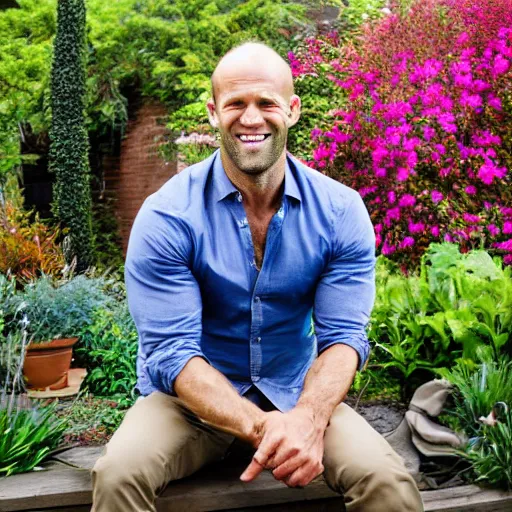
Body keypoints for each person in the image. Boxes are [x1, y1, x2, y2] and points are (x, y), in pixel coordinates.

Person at [91, 42, 424, 512]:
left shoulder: (339, 211)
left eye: (266, 103)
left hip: (295, 396)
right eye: (236, 104)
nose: (251, 119)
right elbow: (172, 353)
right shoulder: (168, 216)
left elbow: (343, 339)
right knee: (118, 474)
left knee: (387, 481)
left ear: (291, 110)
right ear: (213, 112)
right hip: (189, 406)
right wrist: (265, 429)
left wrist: (307, 418)